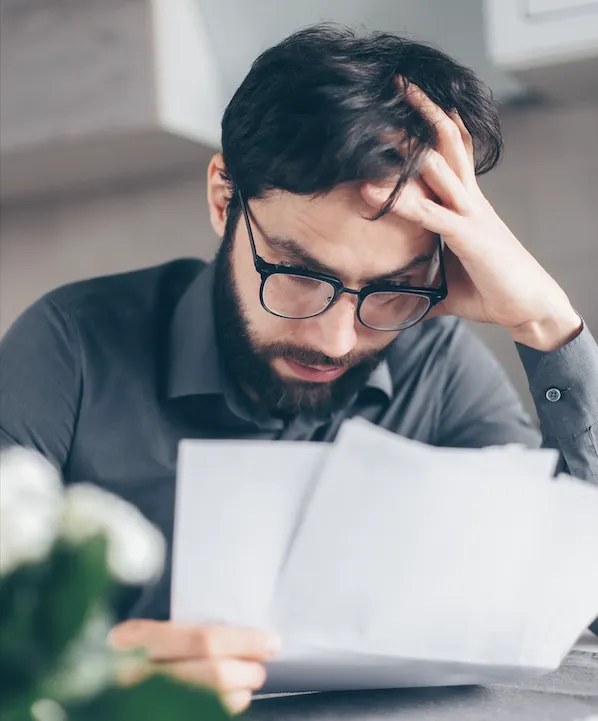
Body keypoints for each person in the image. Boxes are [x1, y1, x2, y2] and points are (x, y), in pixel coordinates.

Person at [1, 25, 596, 715]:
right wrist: (97, 680)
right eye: (299, 275)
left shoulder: (430, 360)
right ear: (226, 198)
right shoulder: (72, 346)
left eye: (391, 287)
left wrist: (549, 325)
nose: (337, 339)